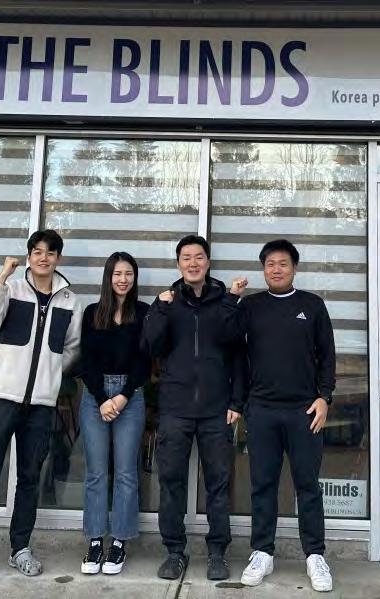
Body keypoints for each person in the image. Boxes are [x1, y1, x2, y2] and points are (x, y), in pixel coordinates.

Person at [0, 229, 82, 587]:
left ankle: (20, 548)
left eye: (50, 253)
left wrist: (50, 376)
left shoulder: (69, 300)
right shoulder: (11, 289)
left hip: (40, 404)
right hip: (0, 397)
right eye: (37, 252)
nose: (44, 258)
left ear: (58, 258)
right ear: (29, 256)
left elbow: (72, 347)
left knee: (29, 478)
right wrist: (1, 277)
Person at [223, 238, 335, 593]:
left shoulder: (312, 306)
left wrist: (324, 398)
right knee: (263, 485)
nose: (276, 269)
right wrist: (231, 298)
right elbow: (227, 341)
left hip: (304, 411)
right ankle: (262, 552)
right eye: (270, 264)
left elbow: (327, 356)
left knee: (308, 486)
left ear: (294, 268)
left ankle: (315, 555)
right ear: (263, 269)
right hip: (262, 411)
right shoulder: (250, 306)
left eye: (283, 263)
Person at [142, 235, 247, 582]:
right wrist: (160, 309)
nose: (193, 263)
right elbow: (151, 346)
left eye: (199, 257)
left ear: (208, 262)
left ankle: (217, 552)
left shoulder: (223, 303)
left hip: (217, 410)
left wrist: (237, 401)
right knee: (171, 482)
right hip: (175, 409)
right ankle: (174, 552)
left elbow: (238, 354)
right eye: (186, 258)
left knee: (218, 484)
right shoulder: (168, 302)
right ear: (178, 264)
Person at [79, 252, 150, 575]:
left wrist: (123, 396)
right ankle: (95, 541)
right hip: (94, 396)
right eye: (117, 274)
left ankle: (119, 541)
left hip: (130, 396)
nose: (123, 279)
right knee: (96, 472)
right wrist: (101, 398)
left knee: (125, 472)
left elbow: (144, 361)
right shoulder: (92, 313)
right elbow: (86, 360)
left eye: (128, 274)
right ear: (108, 277)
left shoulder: (144, 313)